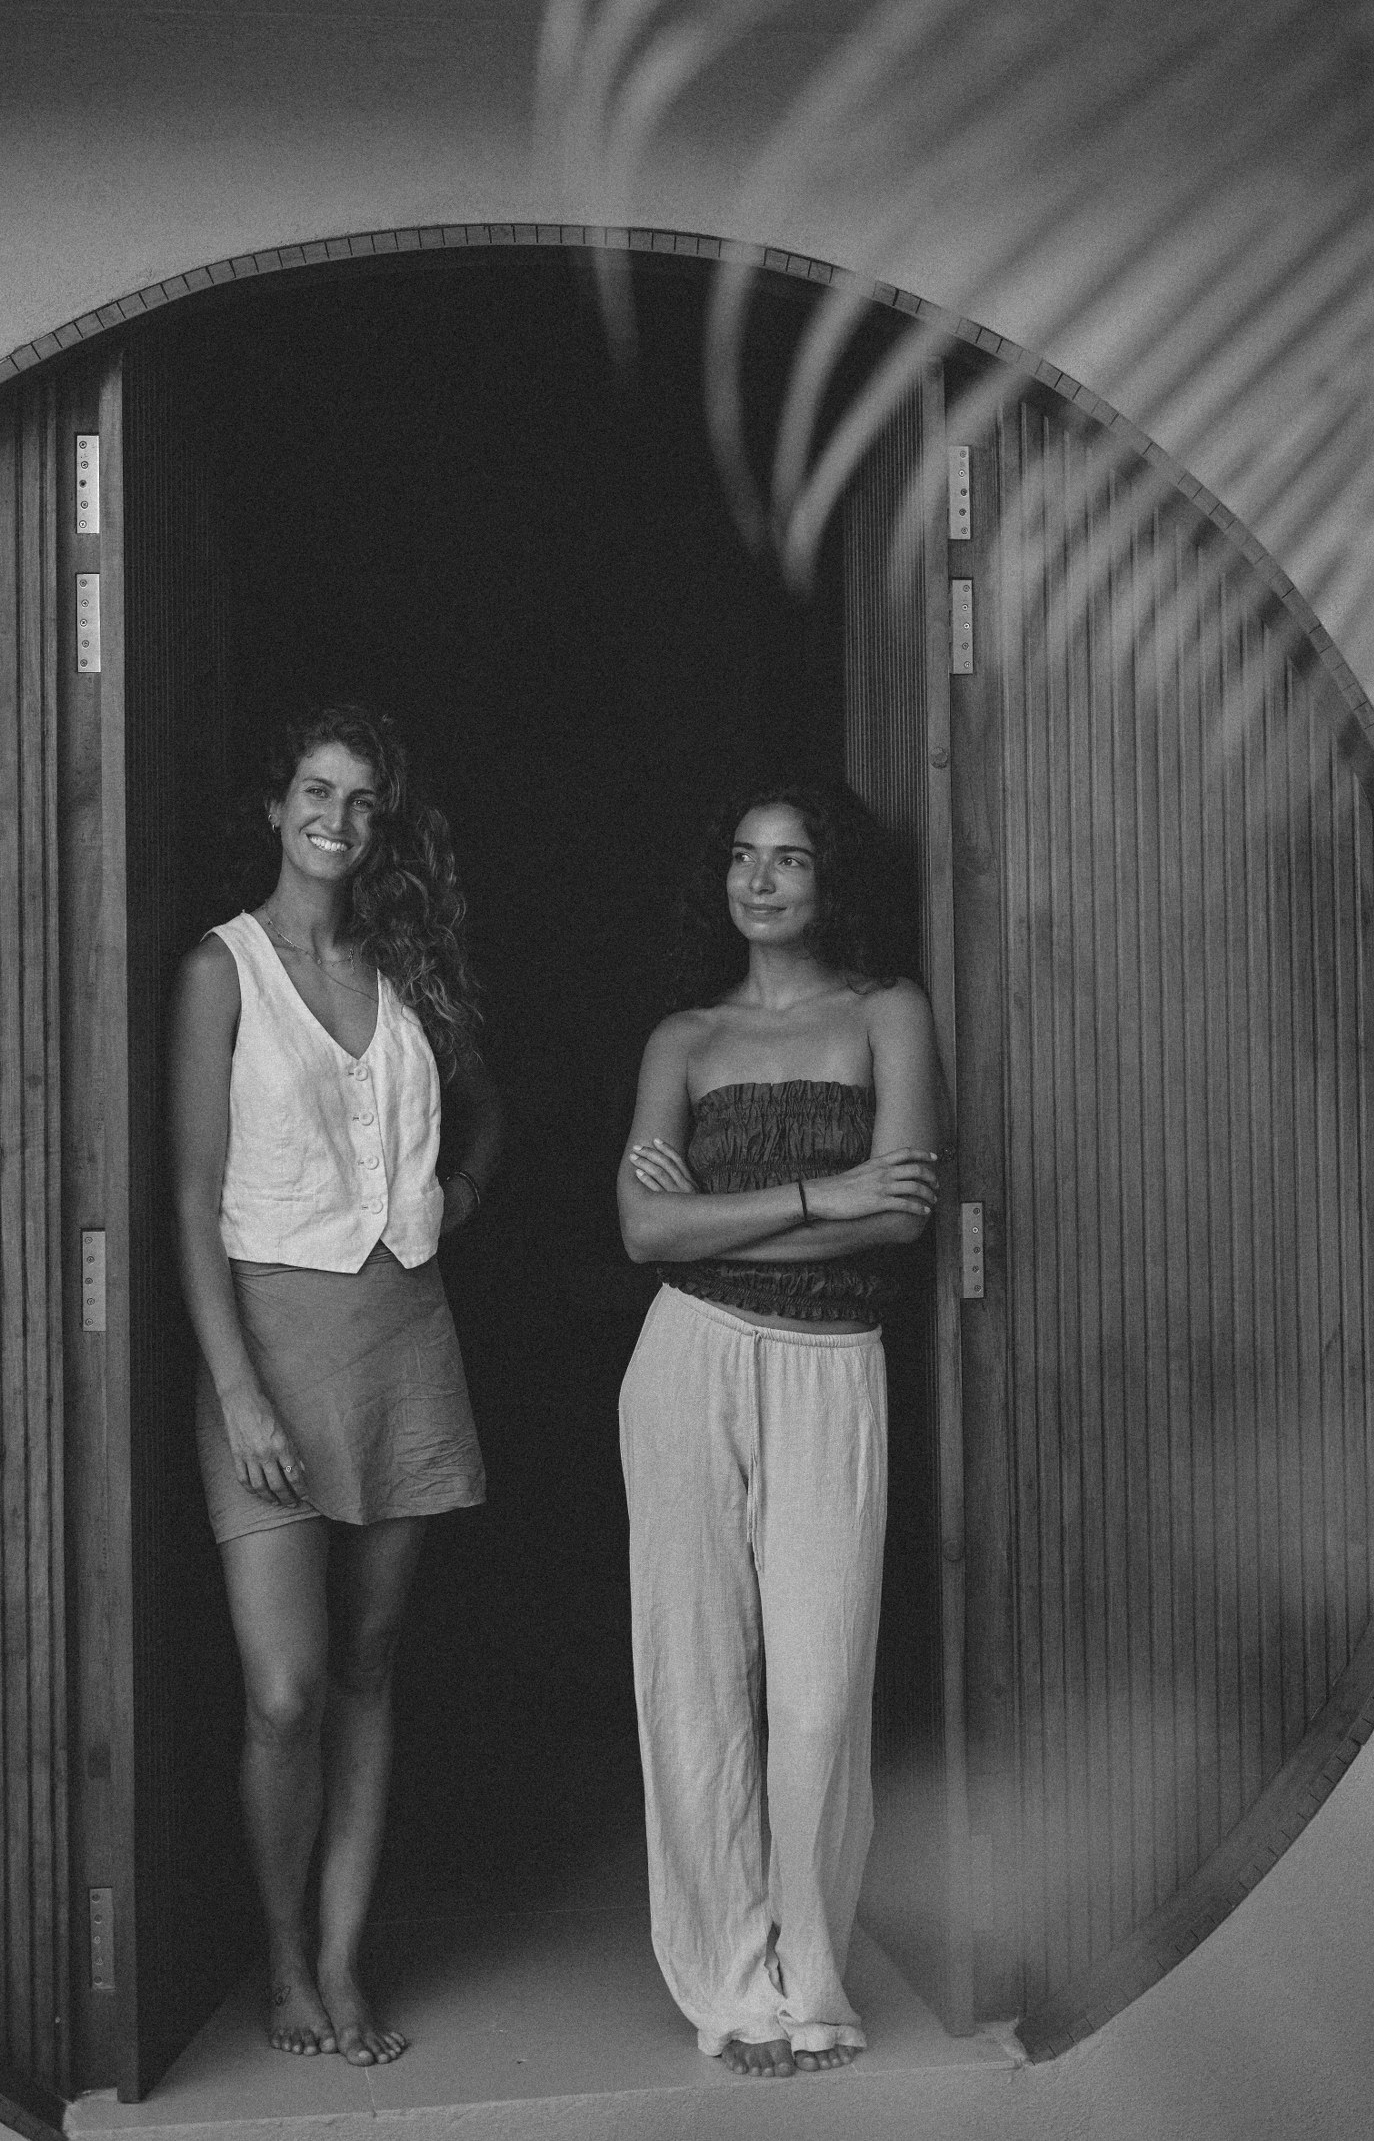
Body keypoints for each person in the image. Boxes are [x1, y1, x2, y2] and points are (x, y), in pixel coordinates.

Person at [169, 704, 501, 2067]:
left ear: (380, 825)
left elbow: (488, 1108)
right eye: (317, 791)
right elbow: (190, 1199)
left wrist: (455, 1196)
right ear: (276, 807)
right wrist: (237, 1390)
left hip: (406, 1338)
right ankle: (285, 1957)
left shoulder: (405, 959)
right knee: (287, 1689)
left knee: (370, 1665)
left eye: (363, 802)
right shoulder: (222, 971)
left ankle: (345, 1960)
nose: (338, 820)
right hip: (268, 1347)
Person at [616, 779, 940, 2078]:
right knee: (691, 1683)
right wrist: (824, 1187)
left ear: (828, 879)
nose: (762, 880)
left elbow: (904, 1214)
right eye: (744, 857)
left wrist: (731, 1206)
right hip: (687, 1358)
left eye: (790, 859)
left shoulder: (886, 1015)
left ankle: (813, 1976)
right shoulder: (680, 1042)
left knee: (815, 1694)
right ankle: (730, 1987)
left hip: (831, 1368)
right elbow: (644, 1234)